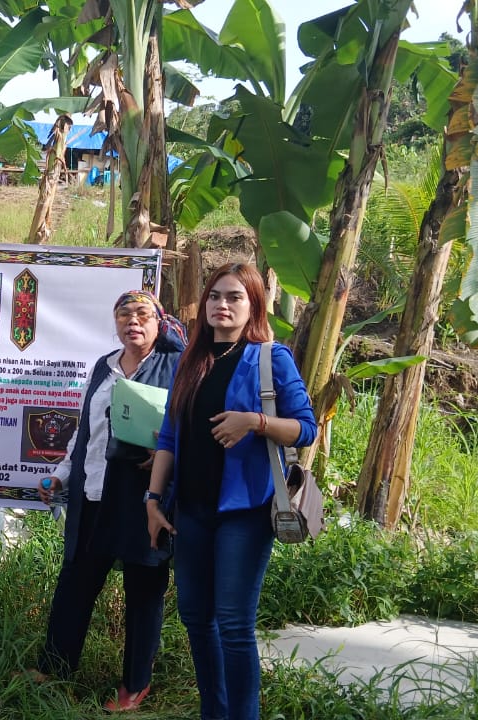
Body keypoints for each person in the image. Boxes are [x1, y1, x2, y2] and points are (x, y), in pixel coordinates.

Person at [144, 264, 316, 720]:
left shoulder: (270, 358)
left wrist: (255, 422)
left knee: (235, 626)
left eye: (235, 297)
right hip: (192, 512)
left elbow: (306, 428)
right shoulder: (191, 361)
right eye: (215, 296)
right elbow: (169, 437)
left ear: (253, 305)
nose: (222, 304)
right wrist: (153, 500)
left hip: (246, 512)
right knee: (196, 619)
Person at [30, 290, 187, 712]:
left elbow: (192, 428)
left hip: (144, 497)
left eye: (142, 314)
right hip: (93, 492)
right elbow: (85, 432)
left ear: (159, 322)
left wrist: (168, 452)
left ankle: (136, 683)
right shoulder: (104, 366)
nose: (132, 321)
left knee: (143, 588)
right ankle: (55, 666)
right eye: (124, 314)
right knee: (75, 581)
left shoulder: (176, 366)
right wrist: (61, 475)